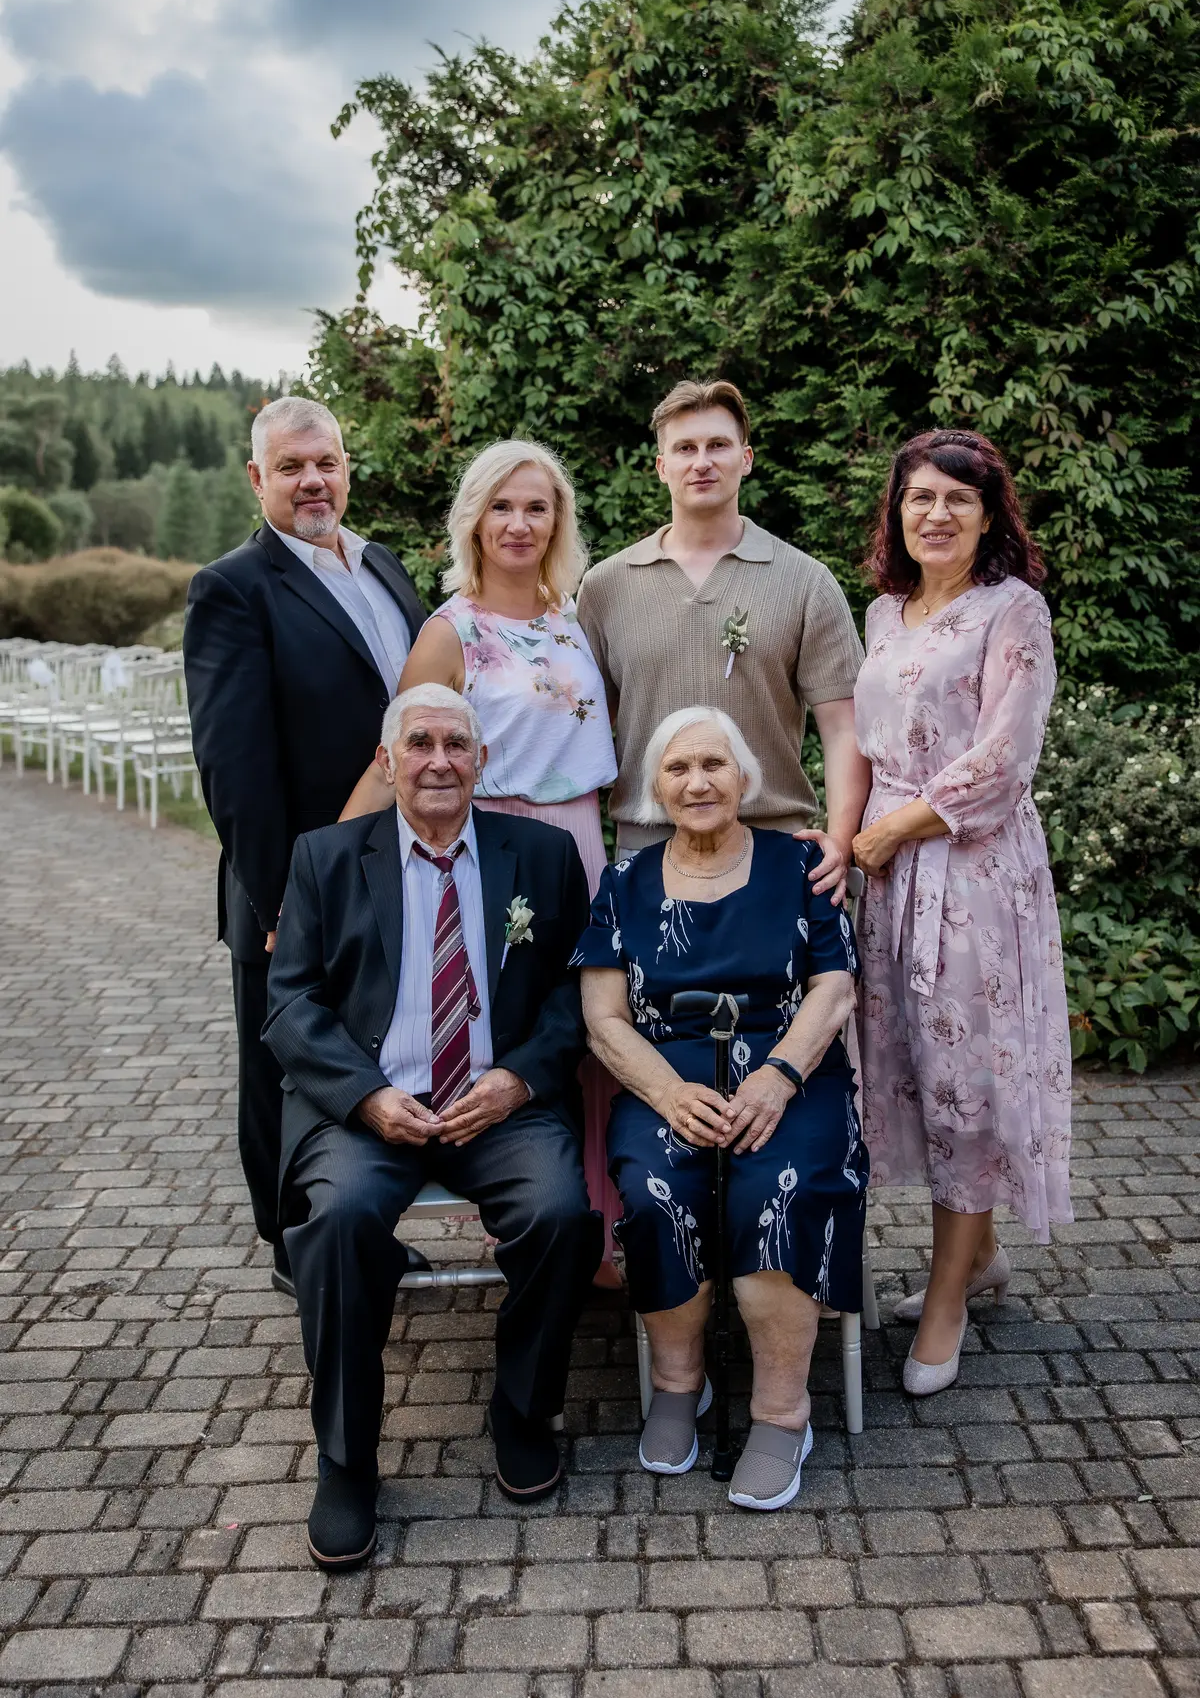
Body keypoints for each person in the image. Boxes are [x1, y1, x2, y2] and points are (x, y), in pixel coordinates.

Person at [265, 685, 602, 1567]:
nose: (440, 761)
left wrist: (518, 1079)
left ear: (483, 761)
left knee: (561, 1215)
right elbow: (290, 1003)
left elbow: (578, 991)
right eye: (419, 743)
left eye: (457, 744)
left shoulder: (543, 855)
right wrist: (366, 1096)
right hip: (371, 1108)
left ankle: (523, 1410)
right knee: (339, 1221)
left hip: (497, 1104)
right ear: (388, 761)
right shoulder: (325, 857)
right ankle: (346, 1459)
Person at [341, 437, 625, 1284]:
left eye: (536, 507)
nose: (519, 523)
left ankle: (602, 1226)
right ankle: (531, 1214)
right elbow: (392, 759)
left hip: (580, 841)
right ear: (474, 519)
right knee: (517, 1023)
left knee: (594, 1022)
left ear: (558, 520)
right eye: (502, 506)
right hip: (495, 844)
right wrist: (324, 873)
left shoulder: (573, 616)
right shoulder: (451, 630)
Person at [574, 707, 865, 1510]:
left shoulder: (798, 865)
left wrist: (777, 1076)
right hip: (665, 1080)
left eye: (714, 764)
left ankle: (782, 1411)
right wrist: (668, 1094)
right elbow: (603, 1018)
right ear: (655, 788)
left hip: (790, 1072)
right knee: (656, 1186)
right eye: (678, 768)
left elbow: (834, 987)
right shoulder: (624, 883)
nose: (697, 782)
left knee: (779, 1187)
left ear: (744, 777)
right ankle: (679, 1384)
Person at [184, 397, 426, 1298]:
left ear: (346, 466)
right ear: (258, 479)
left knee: (369, 1054)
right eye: (290, 467)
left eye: (325, 462)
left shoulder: (383, 564)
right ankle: (294, 1245)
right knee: (282, 1063)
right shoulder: (233, 588)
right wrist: (280, 899)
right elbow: (233, 765)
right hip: (292, 882)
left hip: (397, 868)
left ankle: (362, 1230)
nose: (312, 481)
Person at [852, 427, 1072, 1398]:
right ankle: (977, 1259)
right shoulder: (882, 613)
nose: (936, 514)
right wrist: (856, 839)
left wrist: (894, 830)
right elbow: (863, 739)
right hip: (887, 872)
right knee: (913, 1066)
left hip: (971, 873)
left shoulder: (1012, 608)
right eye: (920, 497)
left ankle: (948, 1301)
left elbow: (1006, 756)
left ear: (989, 516)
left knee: (966, 1084)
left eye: (958, 499)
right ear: (898, 512)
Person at [576, 380, 869, 905]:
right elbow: (587, 733)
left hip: (775, 850)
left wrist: (841, 843)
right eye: (685, 448)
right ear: (661, 466)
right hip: (647, 851)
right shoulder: (605, 587)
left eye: (718, 445)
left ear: (746, 458)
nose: (702, 462)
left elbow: (845, 727)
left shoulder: (805, 581)